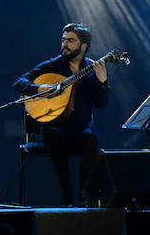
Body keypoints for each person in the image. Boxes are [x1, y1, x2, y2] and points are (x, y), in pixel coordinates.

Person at [12, 22, 111, 206]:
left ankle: (84, 194)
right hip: (56, 126)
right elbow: (19, 81)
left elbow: (101, 104)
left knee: (91, 137)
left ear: (84, 46)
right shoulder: (52, 65)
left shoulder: (93, 69)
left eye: (71, 40)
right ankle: (67, 192)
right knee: (52, 134)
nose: (65, 44)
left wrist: (102, 81)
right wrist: (39, 88)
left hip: (82, 128)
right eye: (64, 40)